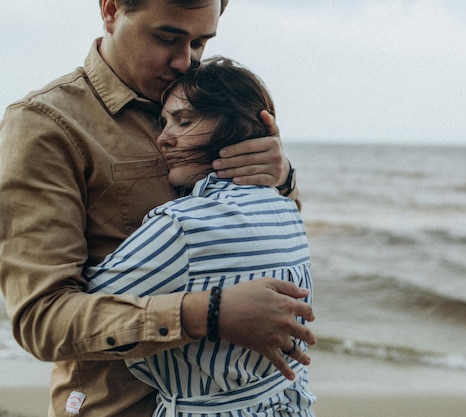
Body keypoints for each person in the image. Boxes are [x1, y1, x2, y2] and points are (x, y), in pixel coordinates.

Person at [0, 1, 315, 416]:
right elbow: (41, 321)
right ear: (111, 11)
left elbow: (265, 244)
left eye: (200, 42)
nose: (185, 61)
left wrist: (282, 179)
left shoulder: (214, 104)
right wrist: (212, 312)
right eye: (167, 38)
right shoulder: (47, 125)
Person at [85, 56, 316, 416]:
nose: (163, 138)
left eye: (184, 121)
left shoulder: (182, 225)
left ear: (238, 126)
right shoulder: (286, 209)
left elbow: (84, 314)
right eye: (164, 122)